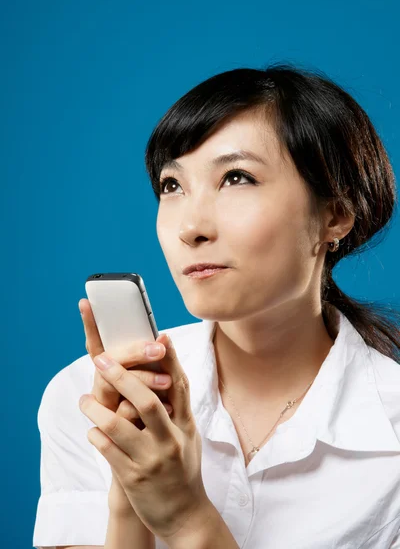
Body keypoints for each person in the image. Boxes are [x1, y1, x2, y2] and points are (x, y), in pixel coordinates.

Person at [33, 63, 400, 548]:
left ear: (334, 215)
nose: (191, 227)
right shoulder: (86, 400)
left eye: (237, 178)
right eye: (172, 186)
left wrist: (186, 516)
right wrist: (130, 498)